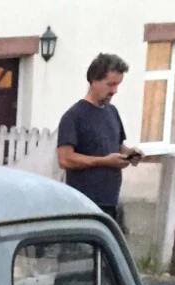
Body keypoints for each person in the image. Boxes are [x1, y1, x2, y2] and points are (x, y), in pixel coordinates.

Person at [56, 53, 142, 230]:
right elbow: (65, 159)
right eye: (110, 84)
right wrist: (104, 161)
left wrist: (130, 154)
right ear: (94, 80)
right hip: (84, 205)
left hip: (111, 202)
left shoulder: (112, 112)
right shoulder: (73, 116)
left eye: (117, 85)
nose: (114, 90)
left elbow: (118, 146)